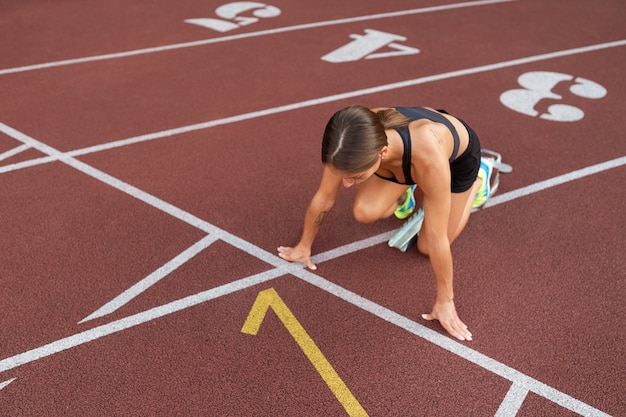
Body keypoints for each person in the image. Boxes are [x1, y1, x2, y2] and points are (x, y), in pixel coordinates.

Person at [277, 105, 493, 341]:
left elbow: (438, 239)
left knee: (426, 247)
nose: (347, 185)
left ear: (381, 152)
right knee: (363, 211)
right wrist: (303, 245)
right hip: (402, 159)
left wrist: (445, 301)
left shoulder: (427, 157)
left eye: (356, 176)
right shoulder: (346, 143)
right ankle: (406, 190)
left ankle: (479, 179)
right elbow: (325, 197)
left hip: (455, 160)